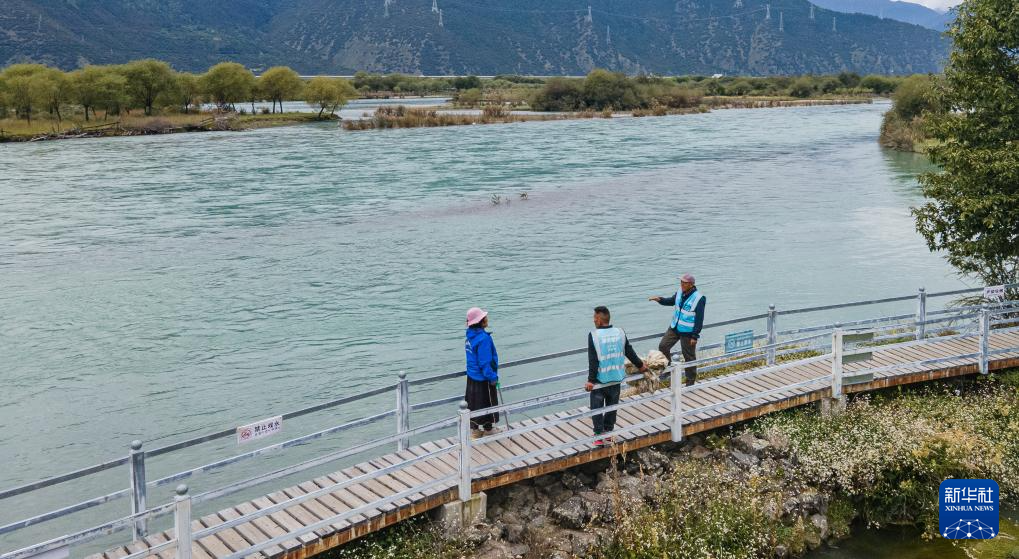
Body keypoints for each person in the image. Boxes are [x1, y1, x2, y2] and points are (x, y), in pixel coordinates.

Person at [585, 306, 647, 446]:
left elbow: (593, 360)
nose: (593, 320)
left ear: (599, 320)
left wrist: (590, 380)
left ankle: (599, 435)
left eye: (594, 318)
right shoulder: (620, 333)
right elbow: (629, 351)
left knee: (597, 407)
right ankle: (609, 432)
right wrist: (640, 365)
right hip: (616, 377)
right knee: (612, 406)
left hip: (600, 379)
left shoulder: (594, 335)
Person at [649, 273, 706, 386]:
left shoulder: (699, 298)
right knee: (663, 346)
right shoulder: (680, 291)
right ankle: (669, 369)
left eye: (684, 283)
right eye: (681, 282)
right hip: (675, 327)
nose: (682, 284)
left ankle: (690, 382)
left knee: (689, 357)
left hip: (688, 332)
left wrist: (695, 336)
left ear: (691, 284)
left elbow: (699, 319)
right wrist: (660, 300)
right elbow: (671, 301)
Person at [465, 307, 500, 438]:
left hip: (472, 376)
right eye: (484, 317)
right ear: (481, 321)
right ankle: (488, 429)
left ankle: (475, 430)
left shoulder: (469, 336)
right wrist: (492, 377)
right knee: (487, 402)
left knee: (473, 403)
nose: (487, 319)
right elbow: (484, 362)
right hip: (483, 378)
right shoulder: (483, 339)